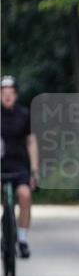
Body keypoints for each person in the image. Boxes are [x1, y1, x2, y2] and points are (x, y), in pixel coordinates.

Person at [0, 76, 39, 258]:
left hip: (18, 165)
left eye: (10, 94)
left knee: (24, 195)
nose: (7, 97)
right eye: (3, 94)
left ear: (15, 95)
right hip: (1, 166)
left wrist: (34, 170)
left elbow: (31, 142)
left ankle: (22, 239)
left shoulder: (24, 115)